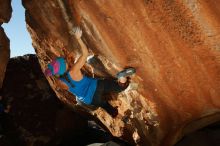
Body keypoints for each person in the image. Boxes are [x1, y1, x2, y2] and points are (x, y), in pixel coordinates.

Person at [44, 27, 135, 116]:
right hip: (96, 86)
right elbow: (85, 53)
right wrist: (78, 38)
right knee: (119, 87)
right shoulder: (73, 71)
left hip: (89, 100)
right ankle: (122, 76)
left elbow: (54, 74)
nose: (66, 60)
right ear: (63, 67)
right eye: (64, 61)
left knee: (102, 104)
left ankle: (114, 113)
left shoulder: (59, 81)